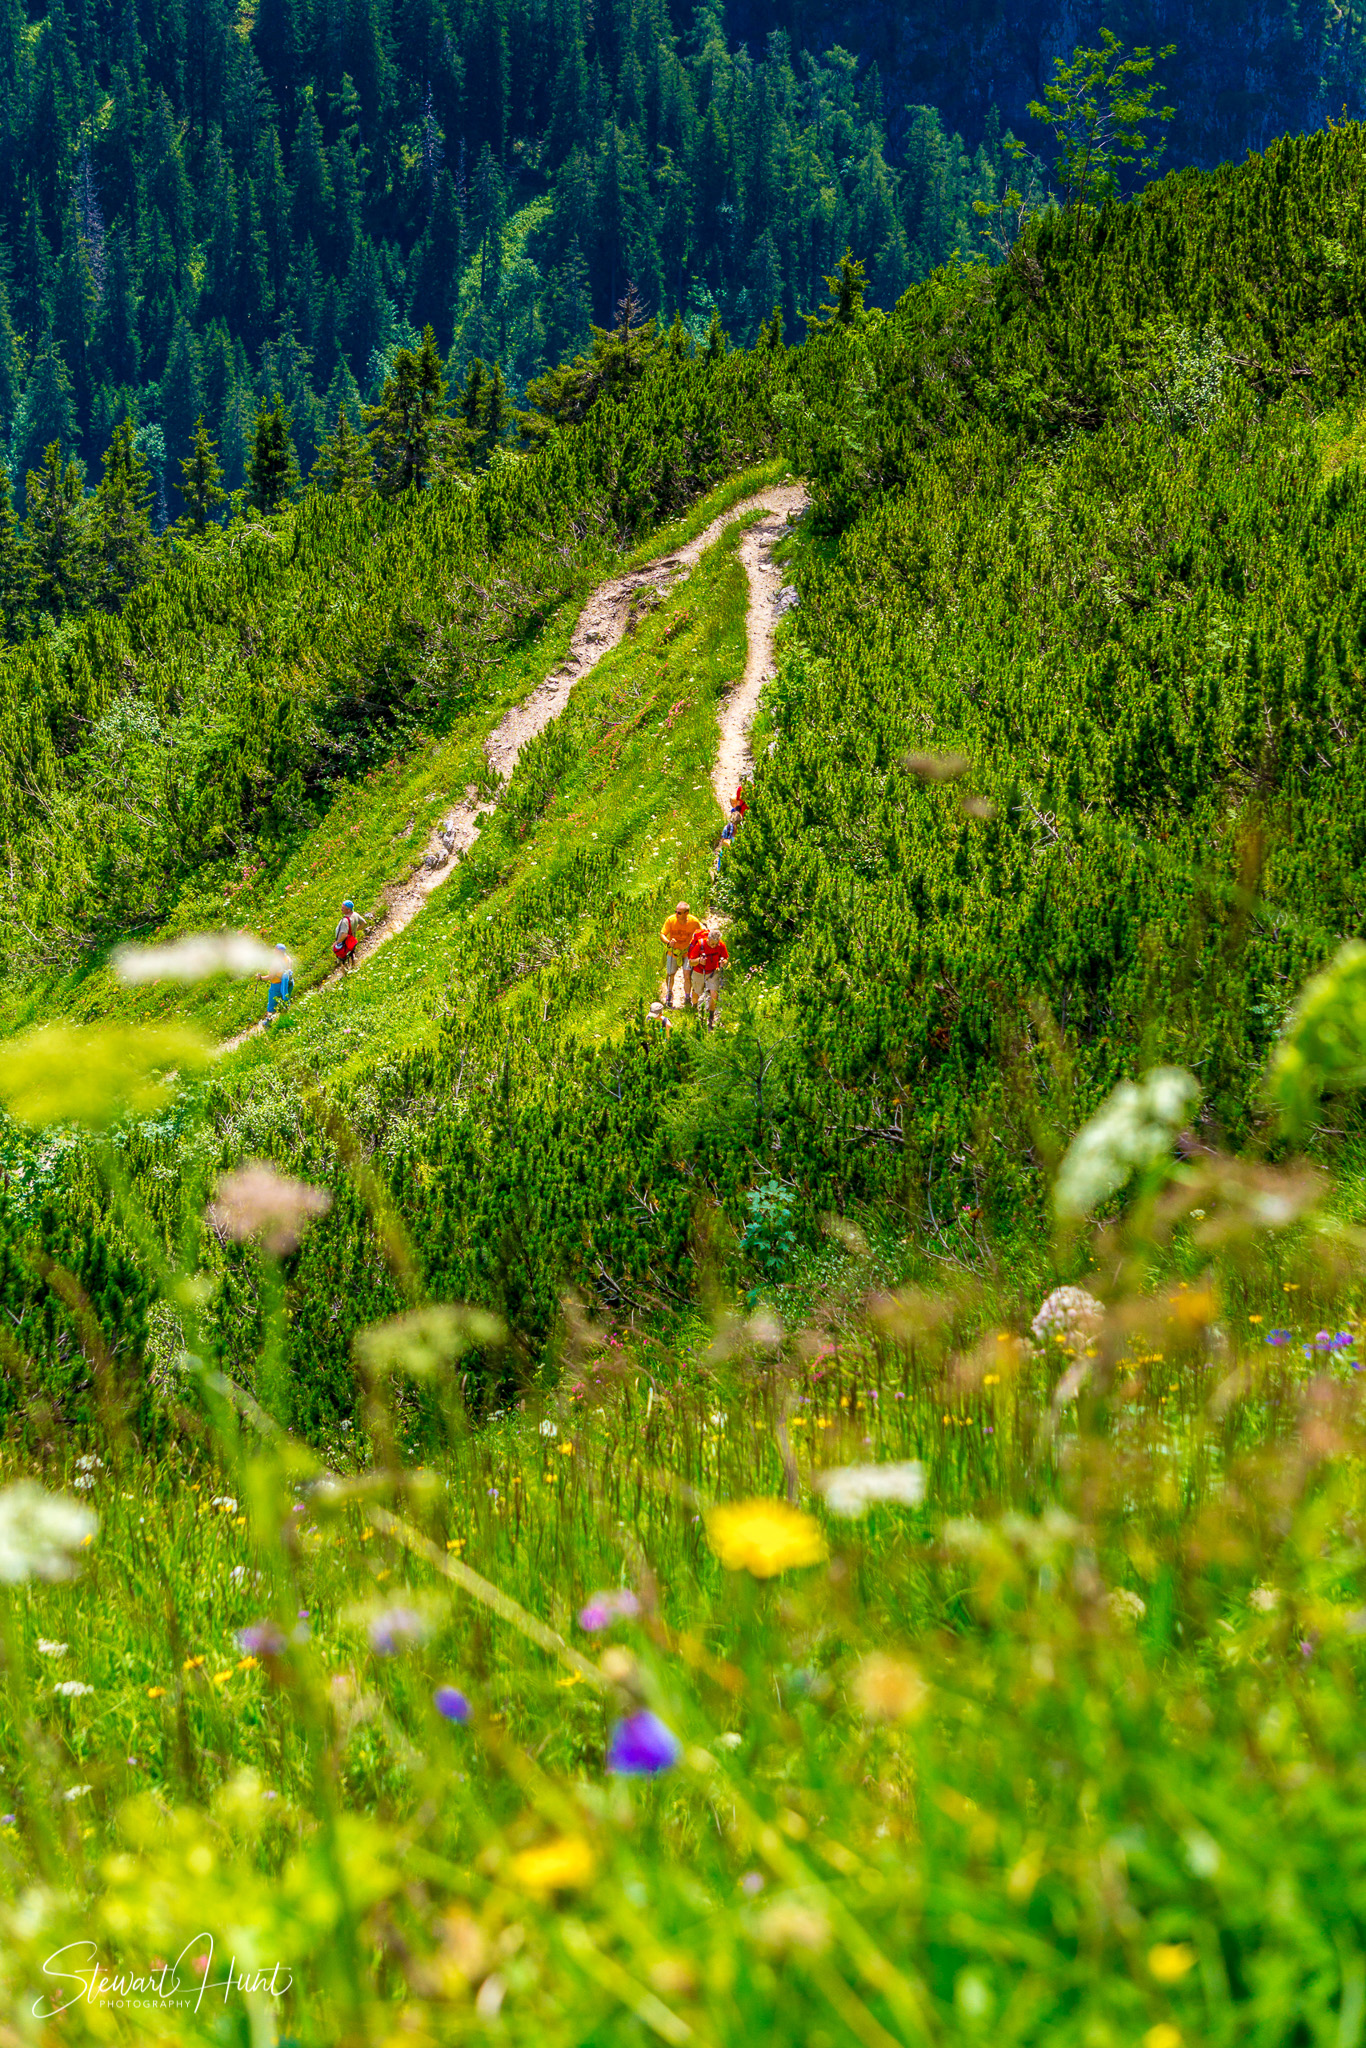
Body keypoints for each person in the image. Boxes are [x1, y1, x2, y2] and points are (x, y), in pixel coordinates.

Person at [658, 900, 703, 1008]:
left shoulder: (694, 922)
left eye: (679, 912)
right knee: (670, 974)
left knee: (687, 975)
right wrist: (668, 942)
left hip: (687, 952)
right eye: (676, 912)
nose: (676, 914)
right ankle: (669, 993)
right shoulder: (671, 920)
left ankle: (687, 997)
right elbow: (662, 934)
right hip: (674, 951)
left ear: (686, 913)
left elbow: (701, 934)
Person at [693, 924, 729, 1028]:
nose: (713, 946)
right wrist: (699, 961)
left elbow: (725, 957)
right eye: (712, 944)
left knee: (714, 994)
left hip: (713, 972)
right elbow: (691, 961)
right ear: (708, 939)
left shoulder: (720, 945)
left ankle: (711, 1018)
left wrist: (723, 962)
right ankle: (694, 1009)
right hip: (699, 972)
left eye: (715, 944)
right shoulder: (700, 944)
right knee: (696, 992)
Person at [333, 898, 370, 972]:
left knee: (341, 959)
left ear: (348, 910)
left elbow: (344, 934)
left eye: (343, 908)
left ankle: (345, 973)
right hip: (352, 940)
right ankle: (354, 968)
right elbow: (364, 923)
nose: (341, 909)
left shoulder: (345, 920)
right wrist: (356, 929)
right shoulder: (355, 915)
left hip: (344, 942)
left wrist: (337, 942)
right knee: (352, 954)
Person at [264, 942, 293, 1024]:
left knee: (271, 1005)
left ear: (278, 951)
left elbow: (271, 976)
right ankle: (285, 1020)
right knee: (285, 1001)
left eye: (276, 950)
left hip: (276, 985)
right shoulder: (288, 959)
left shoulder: (276, 963)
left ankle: (268, 1023)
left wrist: (260, 978)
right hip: (287, 983)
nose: (274, 951)